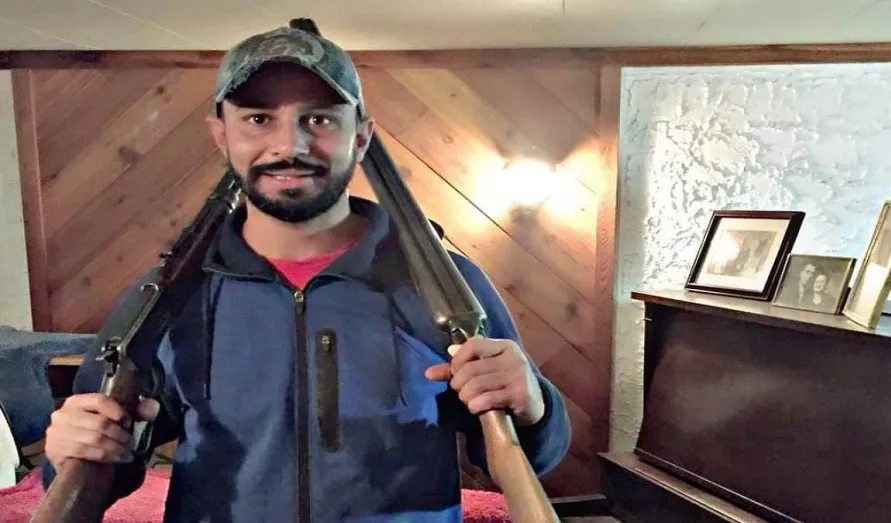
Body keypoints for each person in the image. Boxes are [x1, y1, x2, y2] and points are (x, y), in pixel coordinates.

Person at [40, 20, 571, 522]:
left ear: (360, 137)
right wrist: (69, 451)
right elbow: (100, 465)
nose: (289, 146)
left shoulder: (446, 284)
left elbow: (532, 455)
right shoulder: (168, 293)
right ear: (221, 135)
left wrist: (534, 407)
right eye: (258, 118)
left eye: (319, 119)